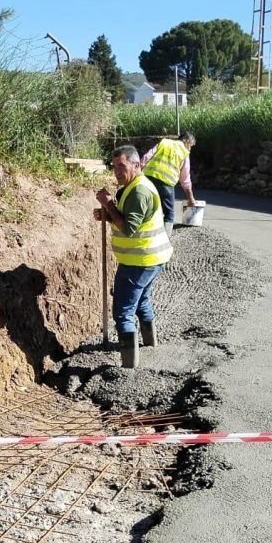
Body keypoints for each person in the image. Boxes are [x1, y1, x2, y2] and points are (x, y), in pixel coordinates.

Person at [95, 145, 173, 368]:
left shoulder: (139, 192)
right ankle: (150, 344)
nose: (117, 172)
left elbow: (129, 228)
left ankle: (129, 367)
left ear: (136, 164)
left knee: (123, 312)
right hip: (151, 258)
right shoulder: (135, 186)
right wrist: (108, 215)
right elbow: (131, 219)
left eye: (122, 166)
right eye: (114, 167)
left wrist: (108, 204)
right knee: (142, 302)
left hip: (139, 261)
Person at [140, 131, 197, 232]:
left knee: (146, 208)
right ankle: (165, 239)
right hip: (166, 184)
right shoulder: (184, 152)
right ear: (188, 142)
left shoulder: (164, 142)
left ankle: (143, 234)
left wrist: (137, 174)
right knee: (169, 214)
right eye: (191, 146)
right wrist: (190, 198)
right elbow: (185, 180)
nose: (190, 149)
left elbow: (146, 158)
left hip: (147, 179)